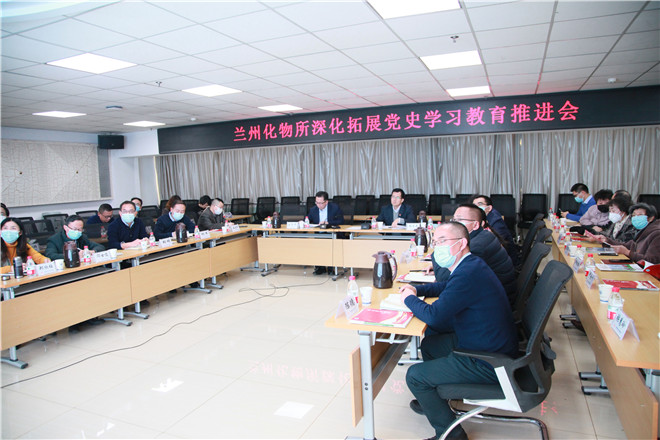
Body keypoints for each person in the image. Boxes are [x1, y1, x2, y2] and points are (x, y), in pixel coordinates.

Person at [400, 222, 518, 440]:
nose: (437, 247)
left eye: (443, 241)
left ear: (462, 243)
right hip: (483, 342)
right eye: (436, 242)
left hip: (489, 360)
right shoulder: (471, 265)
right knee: (431, 345)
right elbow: (447, 287)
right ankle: (436, 400)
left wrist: (408, 299)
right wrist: (417, 289)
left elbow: (434, 315)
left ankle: (451, 435)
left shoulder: (468, 272)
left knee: (415, 376)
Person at [431, 204, 517, 305]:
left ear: (475, 225)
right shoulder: (482, 236)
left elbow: (444, 278)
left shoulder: (477, 246)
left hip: (493, 304)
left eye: (460, 220)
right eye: (454, 220)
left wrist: (438, 246)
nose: (454, 224)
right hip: (491, 296)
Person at [593, 203, 660, 264]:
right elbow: (627, 246)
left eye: (640, 215)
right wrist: (606, 240)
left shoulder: (656, 234)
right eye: (634, 215)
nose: (636, 218)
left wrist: (627, 252)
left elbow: (652, 260)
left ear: (651, 218)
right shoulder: (641, 230)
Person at [470, 195, 519, 266]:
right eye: (474, 205)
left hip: (506, 262)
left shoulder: (495, 221)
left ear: (489, 208)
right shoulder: (487, 217)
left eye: (480, 204)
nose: (476, 207)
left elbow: (497, 243)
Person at [308, 191, 344, 275]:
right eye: (317, 202)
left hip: (332, 234)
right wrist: (303, 221)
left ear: (326, 202)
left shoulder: (334, 208)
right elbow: (307, 219)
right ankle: (320, 268)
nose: (318, 205)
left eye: (321, 203)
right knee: (316, 245)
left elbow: (341, 221)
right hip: (319, 234)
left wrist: (328, 223)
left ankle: (331, 268)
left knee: (330, 245)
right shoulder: (313, 210)